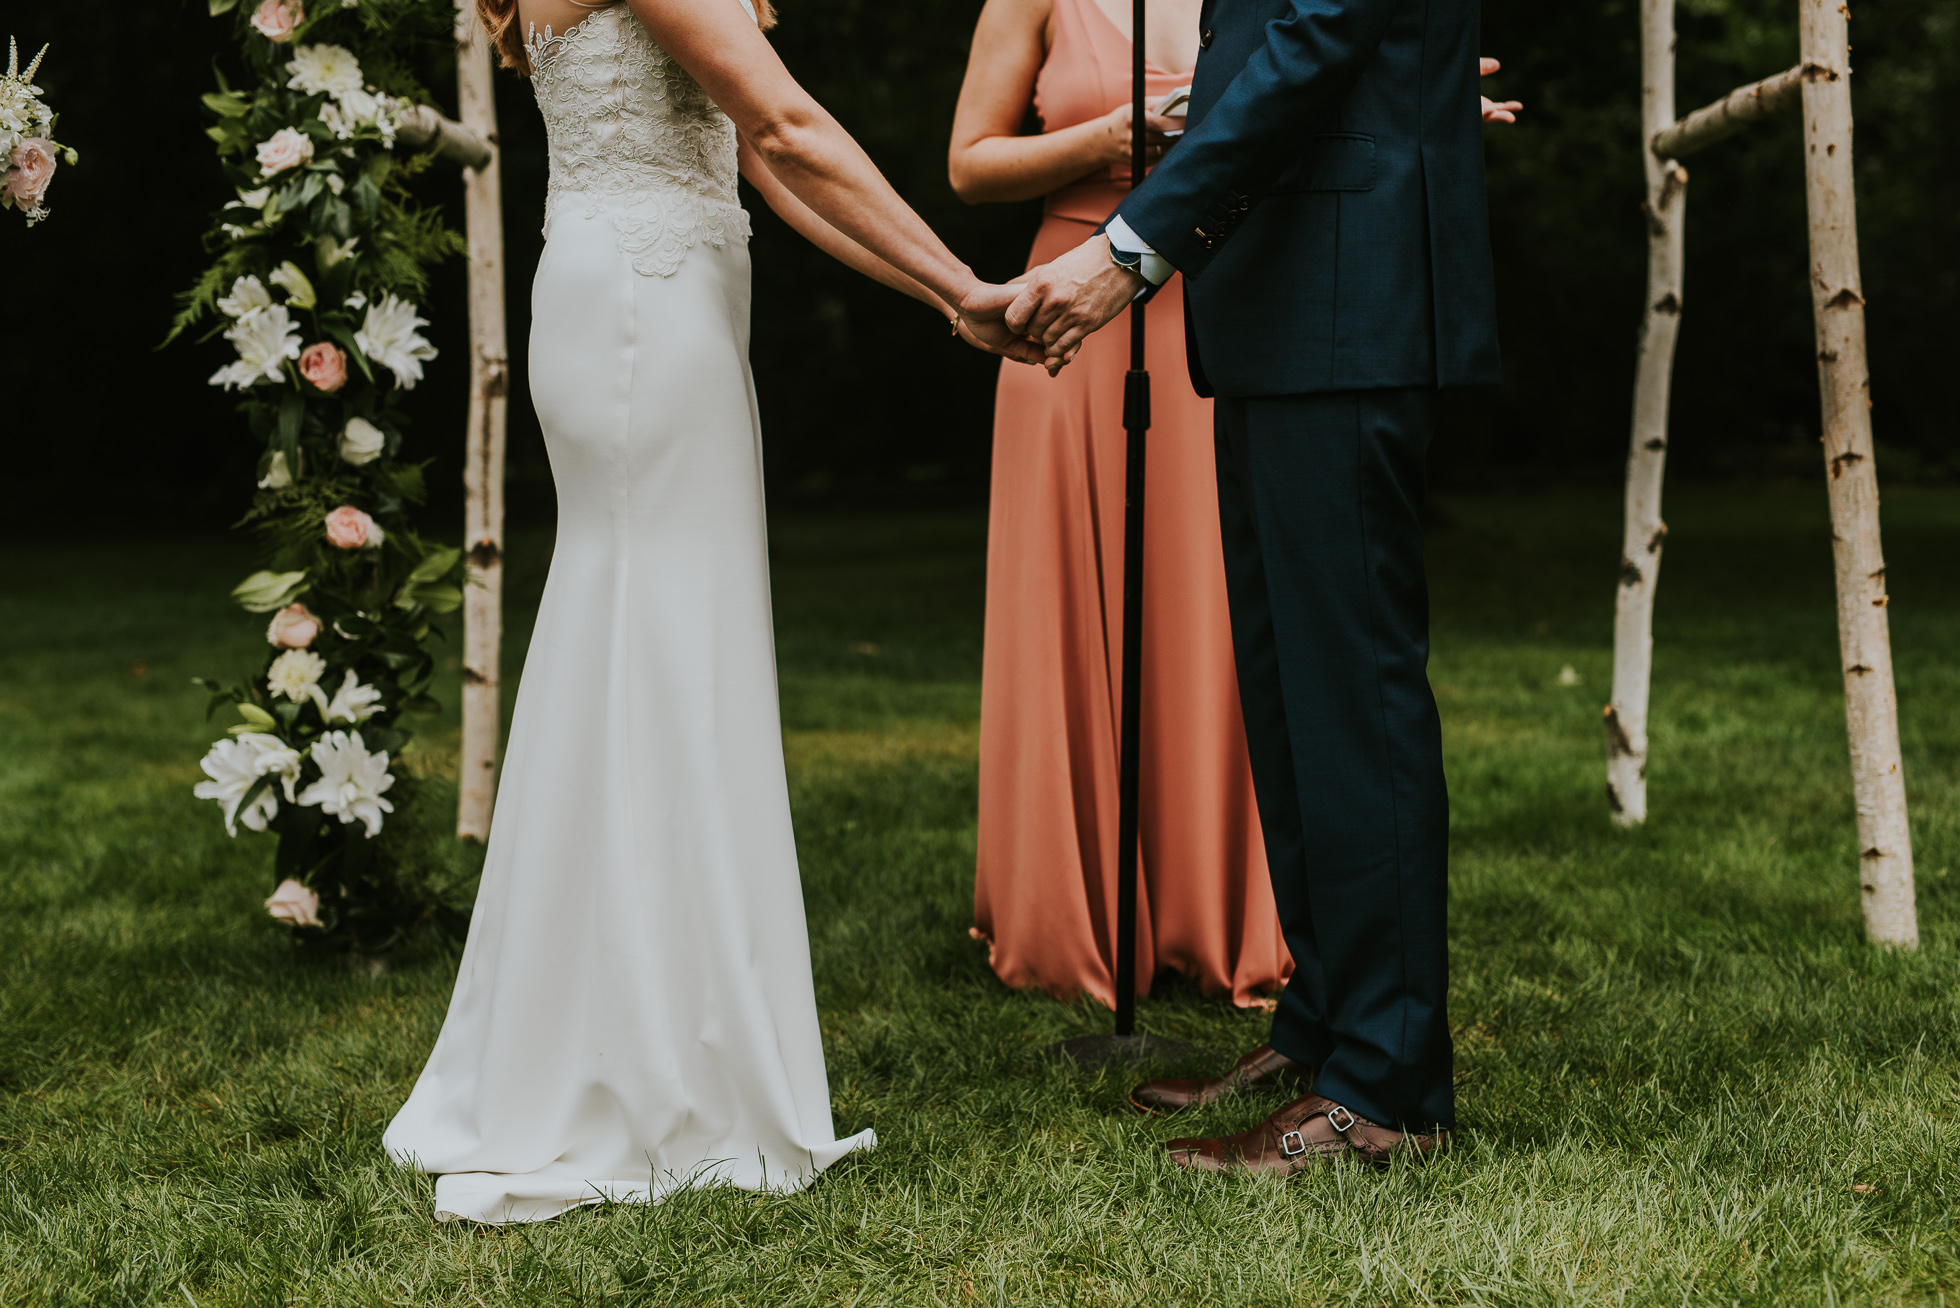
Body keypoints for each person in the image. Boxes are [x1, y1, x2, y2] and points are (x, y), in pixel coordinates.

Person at [382, 0, 1040, 1224]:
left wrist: (939, 299)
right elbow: (787, 126)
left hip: (632, 291)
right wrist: (964, 283)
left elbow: (758, 160)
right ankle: (638, 1066)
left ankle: (605, 1033)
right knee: (660, 661)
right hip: (645, 312)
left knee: (635, 653)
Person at [982, 0, 1517, 1171]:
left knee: (1351, 700)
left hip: (1348, 293)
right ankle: (1326, 1028)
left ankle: (1385, 1094)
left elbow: (1314, 40)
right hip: (1293, 296)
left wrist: (1129, 248)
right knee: (1290, 694)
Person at [950, 0, 1292, 1013]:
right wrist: (1115, 138)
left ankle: (1218, 909)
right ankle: (1073, 915)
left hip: (1213, 303)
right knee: (1072, 607)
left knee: (1213, 612)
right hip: (1068, 312)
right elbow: (969, 164)